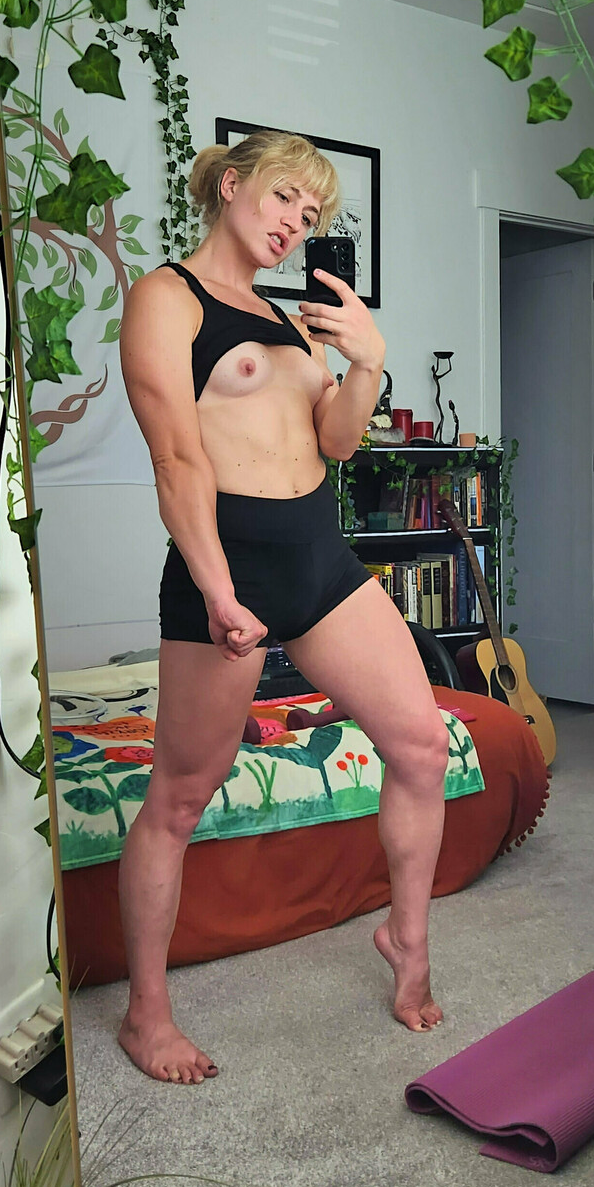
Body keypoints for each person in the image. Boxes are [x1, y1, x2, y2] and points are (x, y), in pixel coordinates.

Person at [116, 130, 450, 1082]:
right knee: (180, 796)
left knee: (421, 746)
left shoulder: (292, 320)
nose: (294, 225)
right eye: (283, 200)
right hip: (228, 563)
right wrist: (216, 589)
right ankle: (146, 1015)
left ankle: (407, 942)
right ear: (231, 186)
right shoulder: (167, 297)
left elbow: (336, 442)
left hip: (319, 560)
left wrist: (368, 361)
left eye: (310, 217)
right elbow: (176, 457)